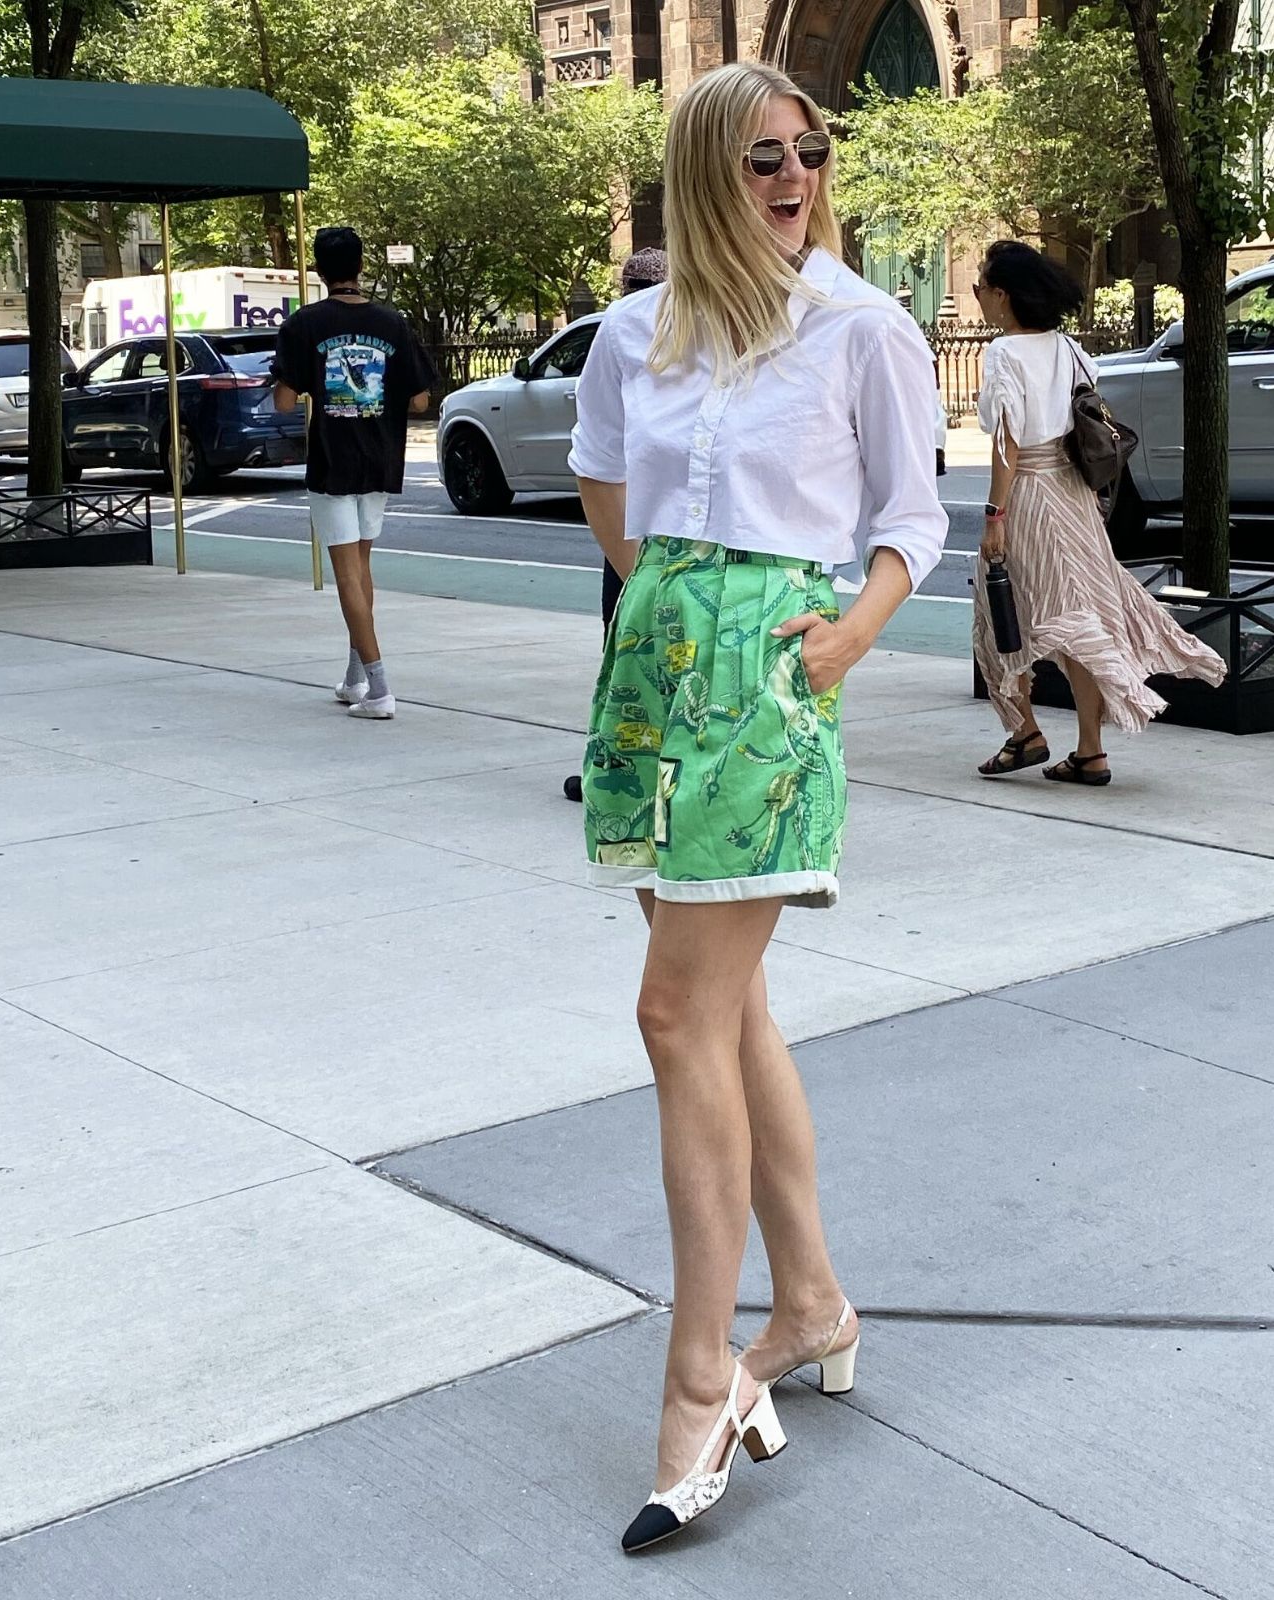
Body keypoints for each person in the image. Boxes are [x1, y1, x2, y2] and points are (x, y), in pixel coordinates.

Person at [567, 63, 947, 1552]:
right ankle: (811, 1303)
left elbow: (911, 519)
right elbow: (606, 488)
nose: (794, 177)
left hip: (775, 687)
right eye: (759, 160)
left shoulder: (863, 326)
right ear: (701, 177)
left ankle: (696, 1376)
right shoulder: (630, 335)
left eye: (810, 151)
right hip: (658, 671)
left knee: (675, 1014)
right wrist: (671, 596)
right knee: (728, 1012)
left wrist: (844, 638)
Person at [972, 240, 1224, 783]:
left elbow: (1006, 445)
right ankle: (1089, 749)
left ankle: (1026, 732)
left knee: (1006, 615)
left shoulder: (1004, 354)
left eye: (982, 287)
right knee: (1078, 617)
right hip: (1075, 498)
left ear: (1003, 296)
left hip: (1030, 498)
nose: (979, 297)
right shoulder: (1069, 349)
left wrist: (996, 515)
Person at [273, 226, 435, 720]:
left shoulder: (304, 325)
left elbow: (283, 402)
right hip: (381, 457)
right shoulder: (393, 324)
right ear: (361, 266)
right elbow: (421, 398)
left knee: (346, 572)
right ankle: (354, 678)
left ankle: (381, 687)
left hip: (332, 459)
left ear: (318, 270)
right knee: (361, 569)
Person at [563, 247, 670, 804]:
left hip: (646, 528)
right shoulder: (628, 338)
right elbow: (598, 456)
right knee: (626, 646)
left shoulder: (645, 339)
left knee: (624, 646)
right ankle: (624, 755)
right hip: (635, 526)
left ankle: (631, 757)